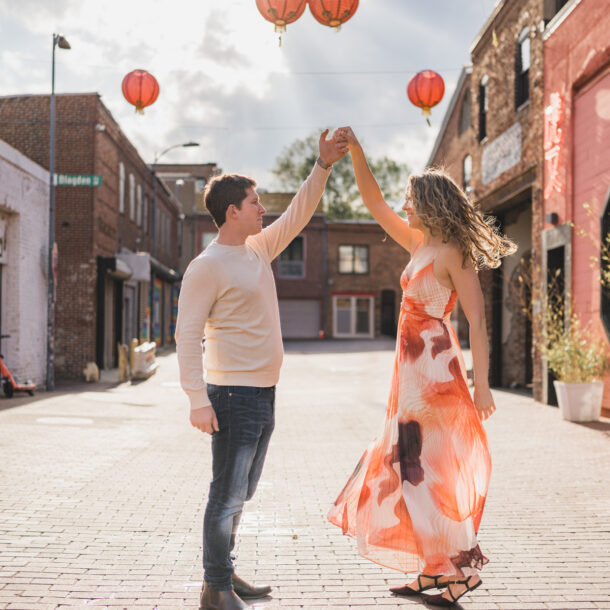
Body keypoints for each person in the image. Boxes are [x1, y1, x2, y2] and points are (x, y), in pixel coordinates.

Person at [328, 127, 516, 606]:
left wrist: (483, 386)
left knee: (427, 471)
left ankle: (449, 573)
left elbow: (477, 320)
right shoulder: (418, 244)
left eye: (410, 198)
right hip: (409, 377)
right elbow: (373, 203)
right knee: (409, 468)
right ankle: (433, 572)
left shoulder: (453, 254)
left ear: (429, 202)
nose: (404, 205)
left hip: (436, 374)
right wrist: (357, 153)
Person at [175, 130, 347, 610]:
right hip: (231, 396)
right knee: (226, 493)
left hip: (263, 392)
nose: (262, 209)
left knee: (242, 491)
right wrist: (196, 399)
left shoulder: (256, 249)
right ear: (232, 211)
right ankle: (216, 587)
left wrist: (323, 165)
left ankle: (223, 575)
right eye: (254, 203)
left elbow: (298, 214)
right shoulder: (206, 267)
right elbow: (186, 335)